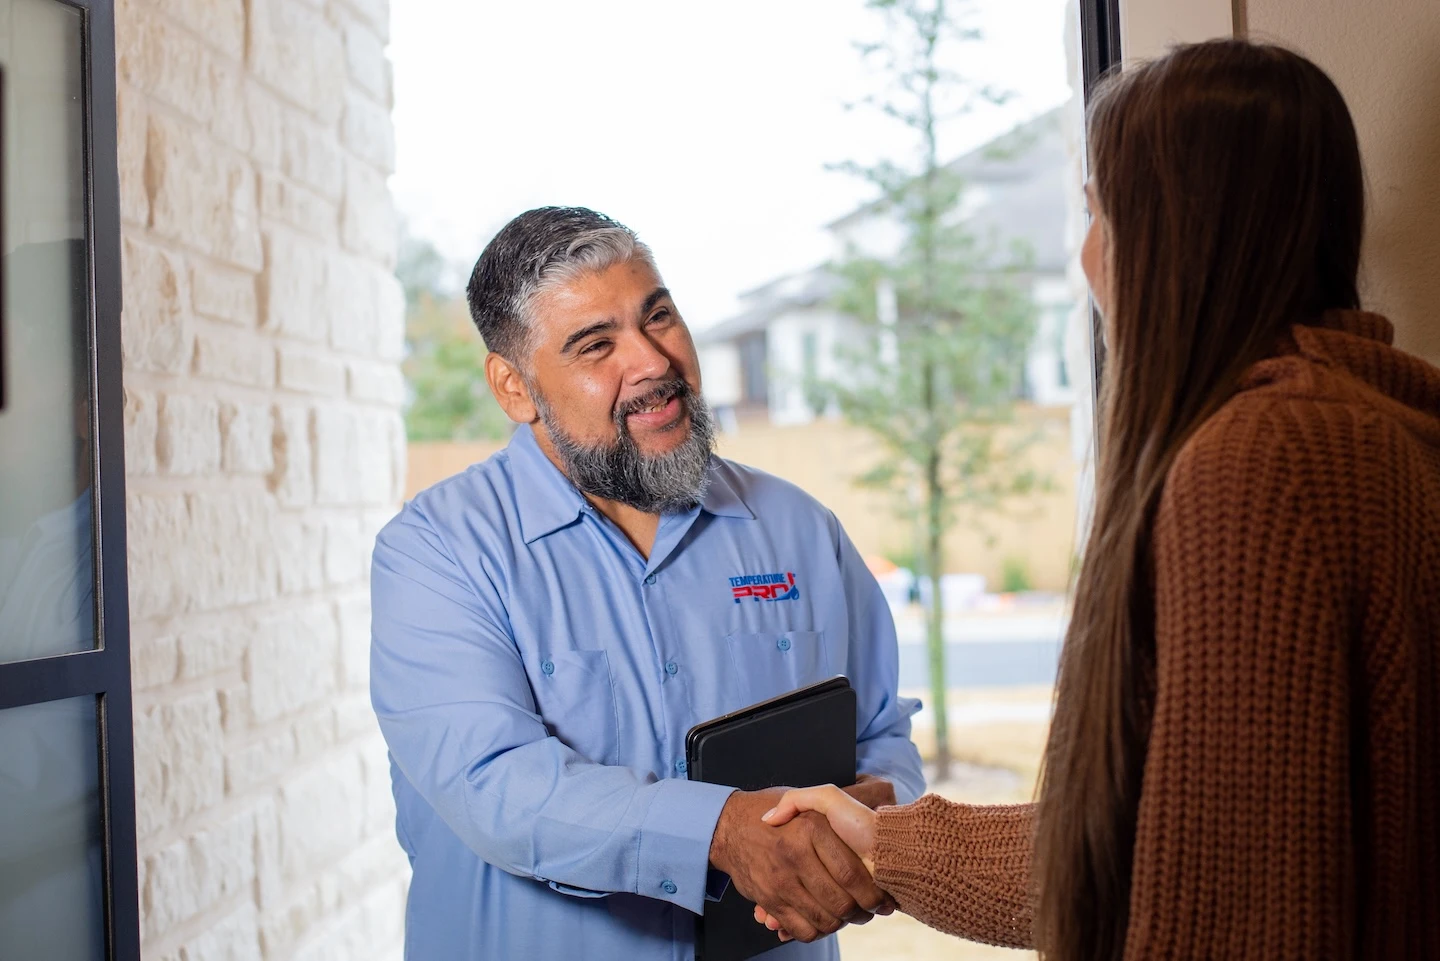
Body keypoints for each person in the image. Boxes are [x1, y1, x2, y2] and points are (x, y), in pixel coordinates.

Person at [753, 39, 1440, 960]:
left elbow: (1224, 911)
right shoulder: (1379, 431)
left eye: (1098, 212)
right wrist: (894, 844)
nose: (1086, 254)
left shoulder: (1259, 465)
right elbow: (1170, 842)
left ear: (1174, 236)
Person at [369, 206, 926, 959]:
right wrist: (722, 832)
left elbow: (883, 734)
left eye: (658, 316)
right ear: (515, 387)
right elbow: (495, 786)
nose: (653, 361)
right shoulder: (437, 554)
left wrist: (875, 810)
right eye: (597, 344)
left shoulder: (800, 528)